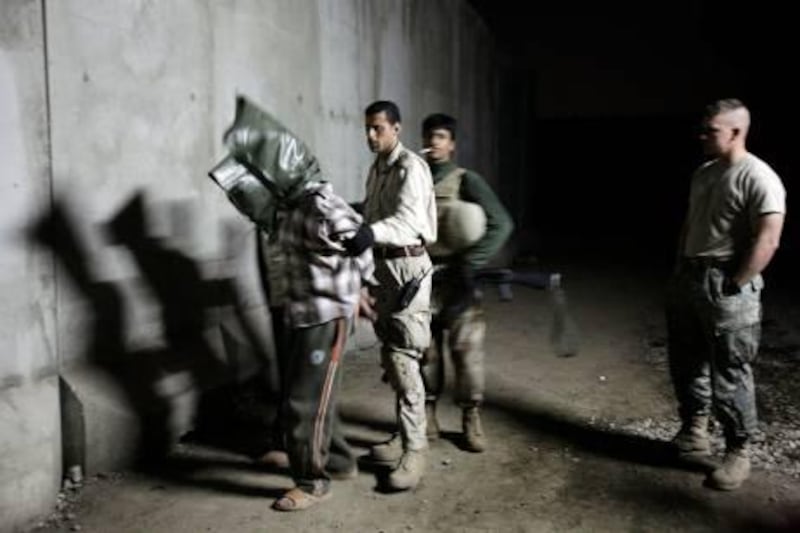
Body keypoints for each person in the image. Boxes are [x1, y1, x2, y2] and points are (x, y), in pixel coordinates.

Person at [209, 95, 376, 510]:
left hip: (326, 315)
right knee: (313, 394)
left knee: (306, 400)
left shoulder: (319, 203)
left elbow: (362, 238)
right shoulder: (288, 210)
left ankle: (312, 480)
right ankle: (336, 459)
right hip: (303, 313)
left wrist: (363, 290)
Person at [666, 98, 786, 491]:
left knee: (731, 371)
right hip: (691, 276)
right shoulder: (704, 173)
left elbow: (768, 238)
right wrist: (681, 264)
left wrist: (737, 282)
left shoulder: (759, 177)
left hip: (726, 281)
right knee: (687, 360)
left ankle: (738, 451)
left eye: (711, 130)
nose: (702, 136)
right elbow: (691, 223)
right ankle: (693, 431)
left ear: (736, 132)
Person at [348, 100, 437, 490]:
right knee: (391, 354)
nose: (371, 135)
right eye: (367, 128)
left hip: (408, 269)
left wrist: (370, 233)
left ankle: (415, 451)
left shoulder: (410, 167)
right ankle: (403, 434)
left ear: (396, 129)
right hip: (385, 268)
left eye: (378, 128)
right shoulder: (378, 169)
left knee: (404, 359)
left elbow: (407, 222)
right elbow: (372, 214)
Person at [419, 113, 514, 452]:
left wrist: (471, 261)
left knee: (466, 350)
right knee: (424, 353)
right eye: (430, 136)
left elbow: (501, 223)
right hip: (422, 278)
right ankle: (426, 416)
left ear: (452, 144)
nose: (434, 143)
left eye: (441, 137)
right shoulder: (413, 179)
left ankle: (470, 418)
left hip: (459, 279)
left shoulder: (466, 180)